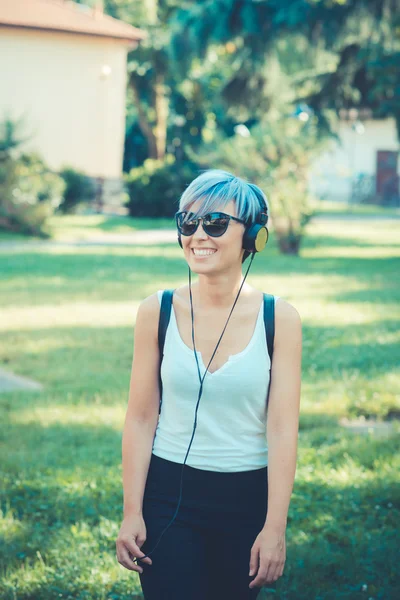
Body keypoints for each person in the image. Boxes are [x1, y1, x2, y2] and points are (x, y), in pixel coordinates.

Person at [116, 169, 302, 599]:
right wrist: (131, 513)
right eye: (188, 222)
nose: (198, 235)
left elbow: (281, 429)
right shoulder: (156, 310)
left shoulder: (280, 319)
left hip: (246, 498)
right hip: (166, 496)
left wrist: (275, 527)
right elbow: (141, 418)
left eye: (215, 223)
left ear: (253, 237)